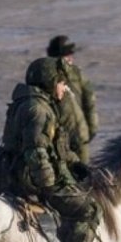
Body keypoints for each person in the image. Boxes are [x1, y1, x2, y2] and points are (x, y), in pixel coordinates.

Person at [1, 57, 104, 242]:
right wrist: (49, 185)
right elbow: (37, 151)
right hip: (31, 179)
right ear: (50, 82)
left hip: (26, 173)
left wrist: (77, 165)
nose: (64, 88)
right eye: (61, 83)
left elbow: (56, 148)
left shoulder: (36, 104)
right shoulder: (38, 110)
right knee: (88, 209)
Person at [47, 35, 98, 163]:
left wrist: (91, 128)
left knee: (83, 171)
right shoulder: (46, 77)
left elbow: (89, 101)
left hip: (80, 135)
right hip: (58, 139)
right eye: (66, 55)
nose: (70, 58)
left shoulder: (76, 73)